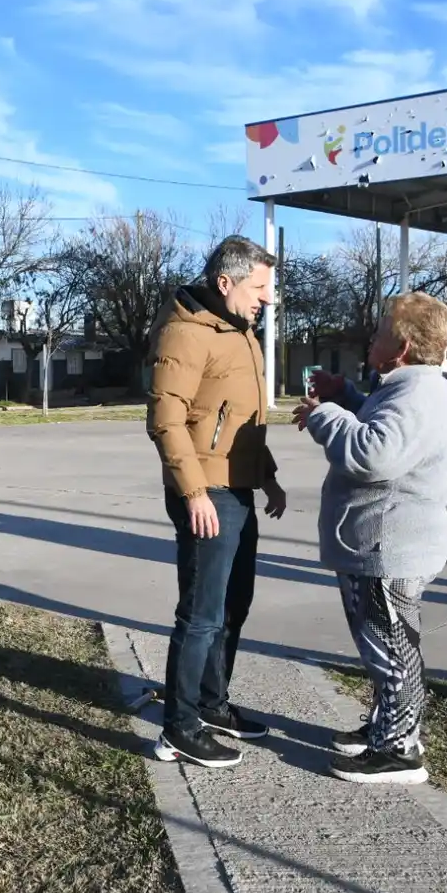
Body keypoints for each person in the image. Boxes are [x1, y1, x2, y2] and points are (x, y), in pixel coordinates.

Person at [296, 293, 447, 783]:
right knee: (383, 648)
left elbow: (374, 454)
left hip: (389, 548)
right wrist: (345, 394)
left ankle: (399, 751)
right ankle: (387, 727)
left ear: (403, 345)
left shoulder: (416, 394)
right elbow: (381, 424)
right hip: (381, 544)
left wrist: (324, 415)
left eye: (381, 329)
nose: (371, 336)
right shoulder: (406, 387)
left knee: (392, 651)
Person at [147, 234, 287, 769]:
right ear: (224, 283)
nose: (267, 298)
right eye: (259, 286)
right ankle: (179, 728)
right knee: (201, 614)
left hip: (238, 486)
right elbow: (165, 418)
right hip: (206, 492)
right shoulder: (185, 332)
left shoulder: (240, 330)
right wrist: (194, 491)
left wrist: (266, 476)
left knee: (234, 606)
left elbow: (240, 421)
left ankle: (211, 703)